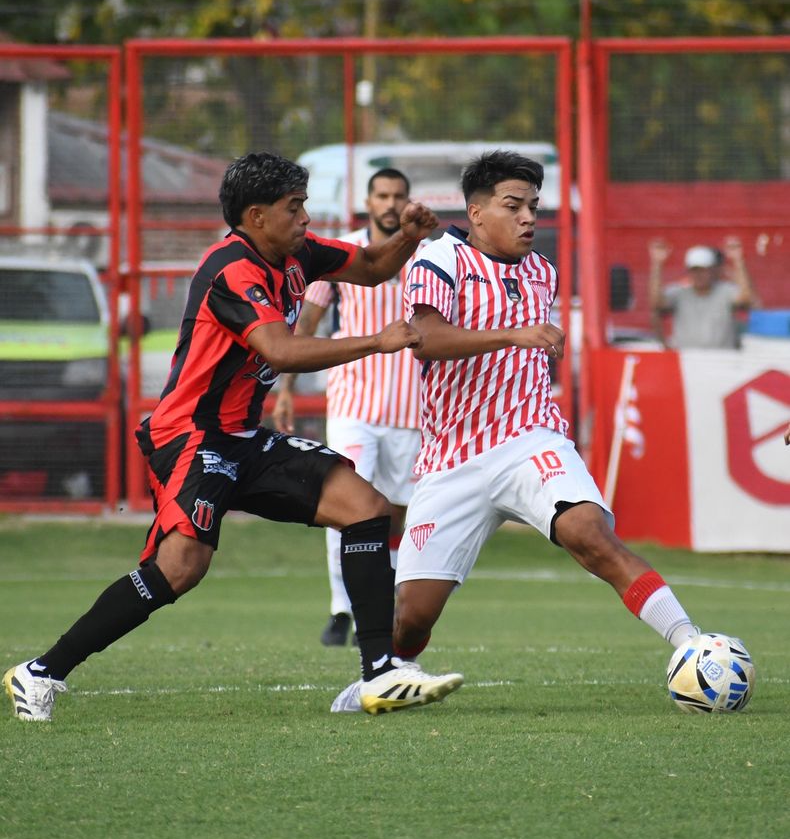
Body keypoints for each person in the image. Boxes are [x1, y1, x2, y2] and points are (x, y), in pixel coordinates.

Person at [4, 151, 463, 722]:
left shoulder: (296, 253)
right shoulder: (233, 269)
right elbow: (282, 349)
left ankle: (379, 674)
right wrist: (376, 341)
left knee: (365, 508)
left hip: (243, 436)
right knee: (180, 569)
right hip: (191, 435)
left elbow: (370, 265)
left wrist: (409, 239)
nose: (305, 218)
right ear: (256, 216)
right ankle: (40, 672)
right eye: (294, 207)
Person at [333, 149, 706, 713]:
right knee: (411, 616)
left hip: (531, 437)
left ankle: (694, 646)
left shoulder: (542, 270)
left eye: (534, 205)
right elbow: (425, 338)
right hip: (453, 456)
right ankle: (385, 677)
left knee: (588, 531)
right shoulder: (439, 258)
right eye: (514, 205)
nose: (529, 217)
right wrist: (515, 334)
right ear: (478, 212)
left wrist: (520, 339)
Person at [274, 168, 423, 647]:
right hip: (354, 402)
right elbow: (305, 327)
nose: (390, 203)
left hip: (413, 408)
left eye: (398, 196)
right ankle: (343, 610)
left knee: (397, 512)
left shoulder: (427, 256)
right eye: (382, 195)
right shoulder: (342, 253)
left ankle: (377, 602)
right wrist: (285, 388)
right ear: (368, 199)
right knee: (347, 501)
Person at [648, 237, 759, 349]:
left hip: (723, 359)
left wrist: (738, 260)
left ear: (713, 270)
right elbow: (656, 304)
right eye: (694, 270)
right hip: (686, 358)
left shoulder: (725, 292)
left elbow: (746, 299)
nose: (699, 275)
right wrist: (657, 264)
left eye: (703, 270)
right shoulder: (679, 293)